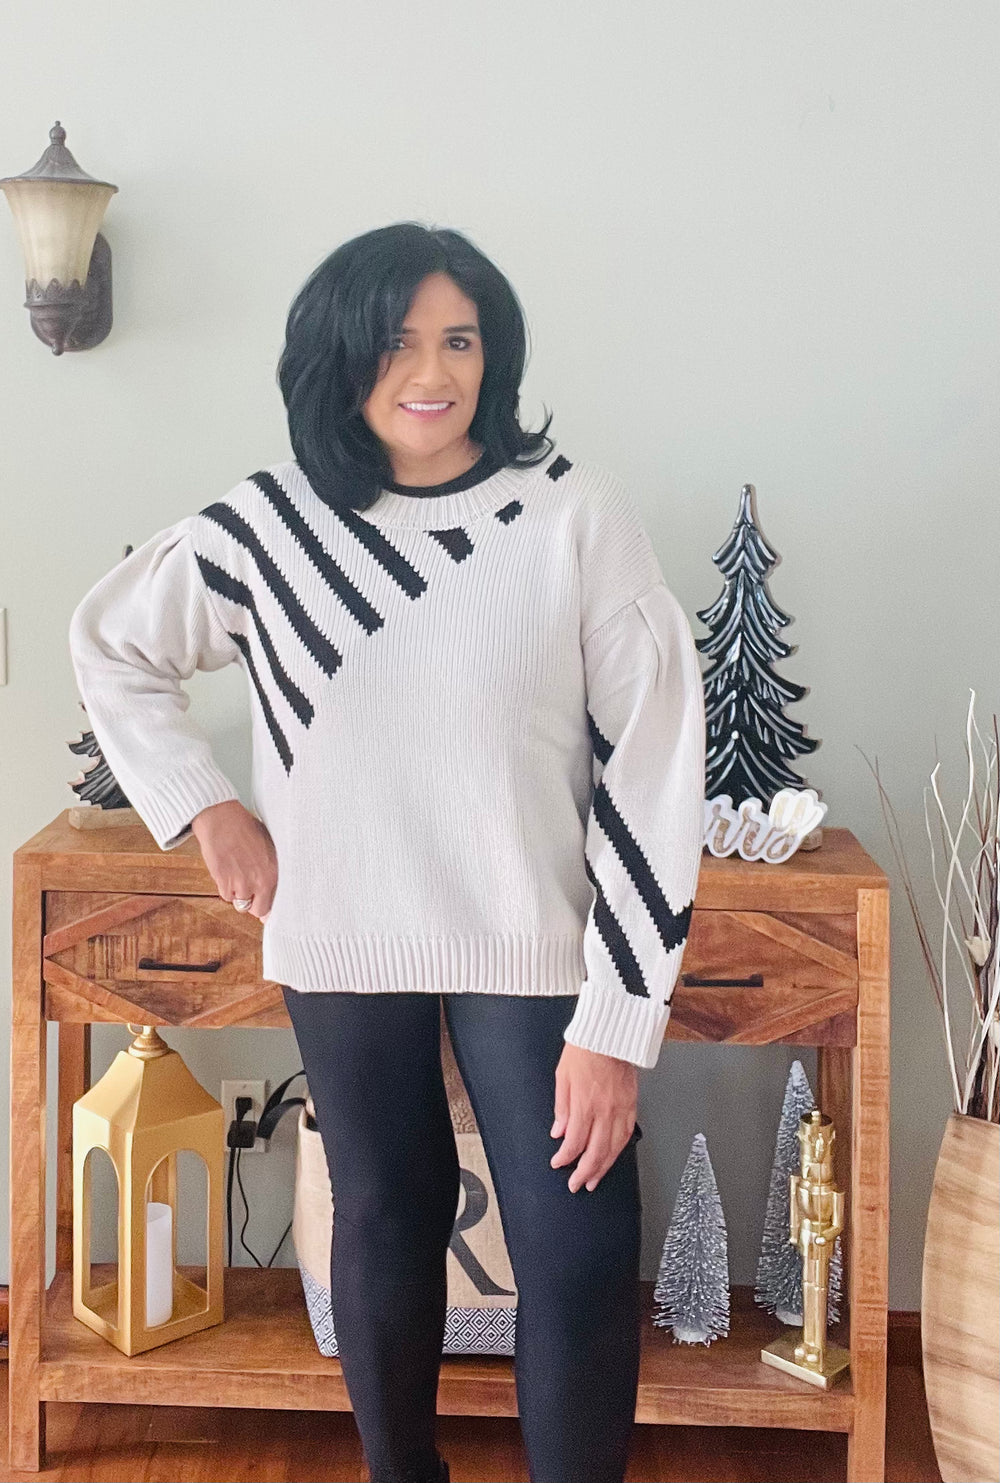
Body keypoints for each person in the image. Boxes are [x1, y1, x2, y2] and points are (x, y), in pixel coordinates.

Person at [68, 222, 706, 1483]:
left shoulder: (568, 515)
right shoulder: (273, 525)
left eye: (460, 340)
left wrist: (619, 1019)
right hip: (345, 929)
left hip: (531, 940)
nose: (433, 371)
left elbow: (654, 764)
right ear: (340, 354)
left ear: (493, 355)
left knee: (579, 1248)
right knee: (385, 1214)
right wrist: (205, 805)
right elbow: (112, 642)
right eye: (399, 342)